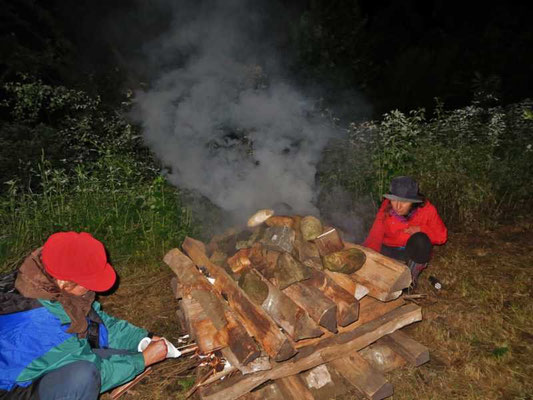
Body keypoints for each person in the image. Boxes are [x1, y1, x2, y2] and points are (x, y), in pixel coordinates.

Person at [0, 231, 168, 400]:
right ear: (63, 282)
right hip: (11, 390)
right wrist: (143, 360)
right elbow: (100, 372)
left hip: (42, 364)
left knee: (123, 356)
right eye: (88, 283)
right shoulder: (41, 322)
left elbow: (97, 326)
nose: (92, 289)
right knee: (84, 376)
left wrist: (143, 339)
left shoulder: (52, 288)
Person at [363, 176, 448, 287]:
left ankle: (411, 280)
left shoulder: (427, 210)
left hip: (410, 252)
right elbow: (376, 233)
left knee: (421, 240)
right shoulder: (387, 207)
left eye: (404, 202)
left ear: (413, 202)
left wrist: (421, 229)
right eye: (394, 200)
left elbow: (442, 236)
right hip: (388, 249)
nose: (398, 206)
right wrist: (368, 257)